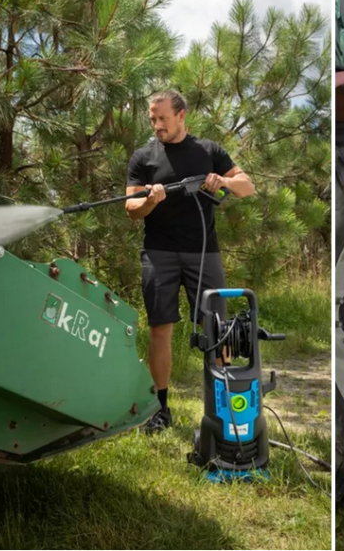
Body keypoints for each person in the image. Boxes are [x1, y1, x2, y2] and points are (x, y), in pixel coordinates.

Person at [124, 90, 255, 434]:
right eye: (152, 119)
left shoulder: (208, 151)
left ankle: (225, 409)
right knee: (159, 330)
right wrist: (150, 201)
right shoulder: (143, 157)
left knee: (217, 329)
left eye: (162, 118)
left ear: (182, 115)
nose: (157, 125)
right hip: (159, 253)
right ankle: (159, 410)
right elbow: (131, 209)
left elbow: (247, 187)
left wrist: (223, 180)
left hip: (203, 253)